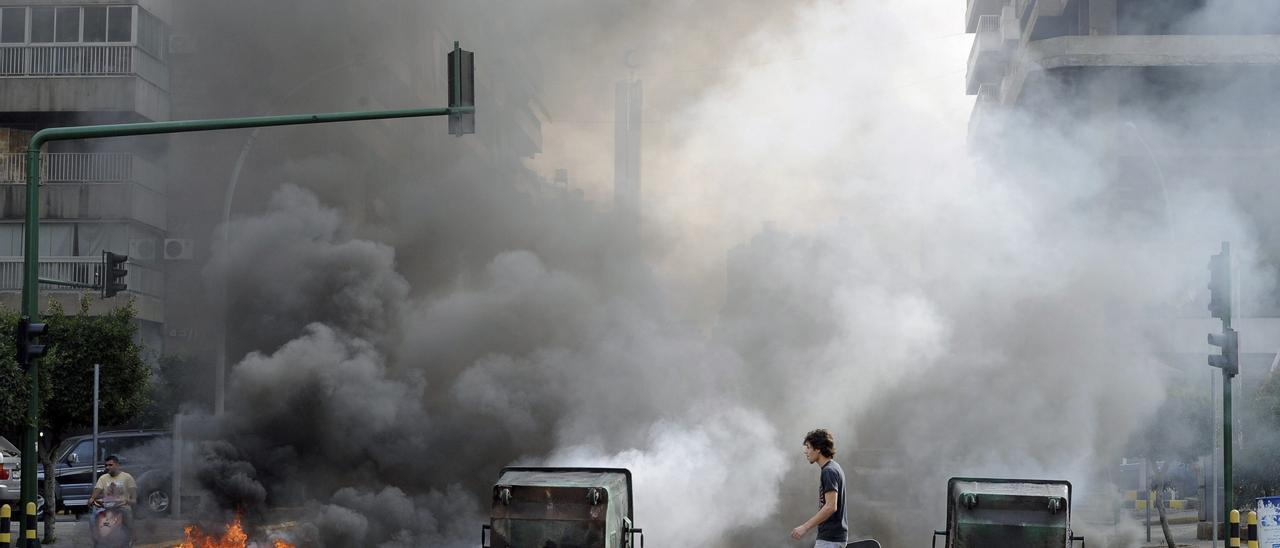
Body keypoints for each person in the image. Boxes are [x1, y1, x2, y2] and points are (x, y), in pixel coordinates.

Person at [790, 429, 847, 547]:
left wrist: (805, 527)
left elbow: (831, 506)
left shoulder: (829, 471)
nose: (805, 451)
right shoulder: (834, 467)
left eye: (808, 447)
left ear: (818, 448)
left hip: (830, 540)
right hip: (832, 539)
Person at [89, 455, 136, 542]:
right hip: (106, 506)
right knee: (92, 517)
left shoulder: (127, 477)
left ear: (117, 465)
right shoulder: (103, 478)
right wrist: (92, 499)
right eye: (106, 465)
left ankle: (130, 537)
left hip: (122, 505)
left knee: (127, 513)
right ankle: (96, 539)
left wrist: (128, 501)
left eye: (110, 465)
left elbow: (134, 498)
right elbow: (97, 490)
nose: (107, 467)